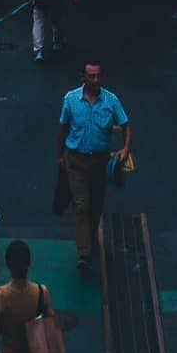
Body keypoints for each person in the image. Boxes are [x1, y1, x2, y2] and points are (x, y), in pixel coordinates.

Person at [57, 63, 132, 271]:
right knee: (81, 206)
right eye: (92, 76)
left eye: (98, 76)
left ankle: (89, 239)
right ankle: (84, 254)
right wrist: (59, 156)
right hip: (77, 161)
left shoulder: (111, 100)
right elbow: (63, 128)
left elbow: (126, 125)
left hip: (100, 162)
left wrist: (125, 148)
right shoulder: (70, 100)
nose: (96, 80)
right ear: (83, 77)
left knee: (96, 206)